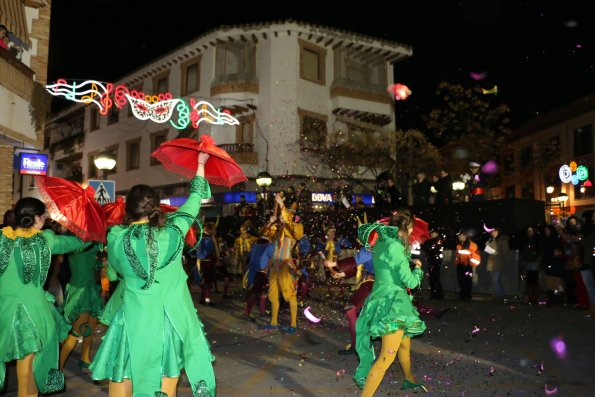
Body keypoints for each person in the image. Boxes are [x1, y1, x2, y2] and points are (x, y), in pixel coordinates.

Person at [90, 152, 216, 397]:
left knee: (123, 371)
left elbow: (114, 274)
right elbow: (193, 201)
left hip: (131, 319)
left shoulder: (116, 237)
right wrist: (200, 164)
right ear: (155, 206)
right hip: (169, 321)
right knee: (165, 377)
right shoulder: (173, 231)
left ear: (129, 208)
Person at [0, 197, 89, 396]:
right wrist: (84, 225)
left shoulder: (2, 239)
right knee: (29, 366)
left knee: (24, 363)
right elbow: (78, 242)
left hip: (4, 311)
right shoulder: (45, 240)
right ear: (38, 218)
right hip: (34, 312)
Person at [353, 210, 427, 395]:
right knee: (386, 357)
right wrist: (418, 269)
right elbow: (411, 282)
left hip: (380, 297)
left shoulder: (382, 241)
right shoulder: (396, 247)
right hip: (394, 303)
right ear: (408, 228)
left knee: (404, 344)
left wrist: (407, 258)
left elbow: (389, 264)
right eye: (411, 229)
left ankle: (409, 379)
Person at [260, 193, 303, 334]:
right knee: (273, 295)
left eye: (287, 215)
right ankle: (273, 322)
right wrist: (270, 222)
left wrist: (280, 204)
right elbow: (264, 234)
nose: (282, 218)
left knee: (290, 294)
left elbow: (290, 225)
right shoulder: (279, 229)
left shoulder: (295, 228)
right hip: (275, 265)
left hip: (285, 265)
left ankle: (293, 324)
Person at [59, 242, 104, 370]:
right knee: (77, 330)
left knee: (90, 325)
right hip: (81, 291)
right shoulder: (77, 244)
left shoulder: (87, 244)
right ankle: (58, 368)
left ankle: (85, 358)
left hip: (91, 289)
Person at [484, 227, 510, 300]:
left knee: (496, 280)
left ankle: (500, 295)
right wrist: (487, 246)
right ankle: (501, 294)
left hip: (499, 263)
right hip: (492, 264)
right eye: (492, 232)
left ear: (499, 232)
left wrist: (496, 253)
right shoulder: (492, 240)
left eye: (495, 231)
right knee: (495, 280)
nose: (493, 233)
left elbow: (506, 252)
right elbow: (489, 252)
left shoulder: (502, 240)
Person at [520, 226, 542, 305]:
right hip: (527, 262)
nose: (529, 232)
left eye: (531, 231)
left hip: (534, 261)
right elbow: (523, 251)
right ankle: (530, 297)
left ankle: (534, 298)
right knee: (529, 280)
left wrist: (537, 256)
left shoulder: (537, 240)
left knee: (534, 280)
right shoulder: (525, 240)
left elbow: (539, 250)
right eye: (528, 231)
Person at [455, 229, 480, 301]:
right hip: (460, 265)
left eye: (460, 235)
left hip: (467, 266)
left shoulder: (473, 245)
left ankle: (467, 296)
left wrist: (462, 252)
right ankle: (463, 296)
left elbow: (472, 254)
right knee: (461, 281)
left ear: (464, 236)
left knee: (467, 281)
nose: (458, 237)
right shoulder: (459, 244)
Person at [424, 230, 444, 299]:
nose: (431, 234)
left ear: (437, 233)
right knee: (432, 279)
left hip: (436, 263)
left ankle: (438, 295)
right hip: (431, 262)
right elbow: (428, 250)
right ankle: (433, 295)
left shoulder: (438, 241)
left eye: (433, 233)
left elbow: (435, 251)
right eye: (431, 233)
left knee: (435, 278)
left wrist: (430, 250)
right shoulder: (430, 241)